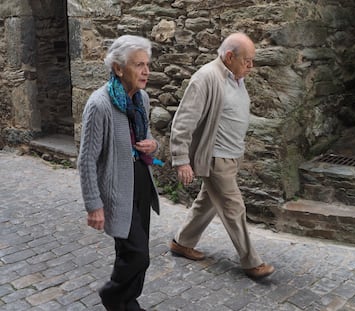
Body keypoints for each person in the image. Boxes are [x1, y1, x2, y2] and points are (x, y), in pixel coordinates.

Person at [169, 32, 275, 279]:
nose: (251, 66)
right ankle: (251, 262)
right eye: (247, 60)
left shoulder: (236, 77)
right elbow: (183, 121)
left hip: (232, 156)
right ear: (229, 56)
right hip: (216, 157)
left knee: (207, 203)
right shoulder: (206, 78)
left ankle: (181, 241)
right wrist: (181, 159)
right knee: (233, 207)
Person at [78, 35, 160, 311]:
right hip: (116, 191)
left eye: (147, 64)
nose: (146, 71)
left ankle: (128, 301)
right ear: (117, 68)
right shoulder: (99, 105)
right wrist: (94, 205)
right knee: (138, 255)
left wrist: (152, 144)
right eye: (139, 65)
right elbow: (86, 159)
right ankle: (113, 295)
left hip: (141, 184)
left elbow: (144, 137)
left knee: (130, 252)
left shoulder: (142, 99)